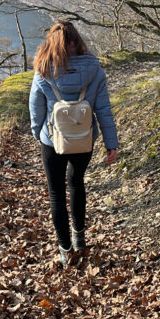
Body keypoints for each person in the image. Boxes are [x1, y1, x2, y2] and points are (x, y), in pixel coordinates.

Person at [29, 19, 118, 265]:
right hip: (84, 138)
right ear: (76, 42)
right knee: (76, 183)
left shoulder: (43, 71)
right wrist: (111, 143)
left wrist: (39, 134)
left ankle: (65, 249)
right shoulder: (95, 71)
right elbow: (104, 110)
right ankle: (79, 238)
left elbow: (36, 110)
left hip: (53, 141)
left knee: (56, 193)